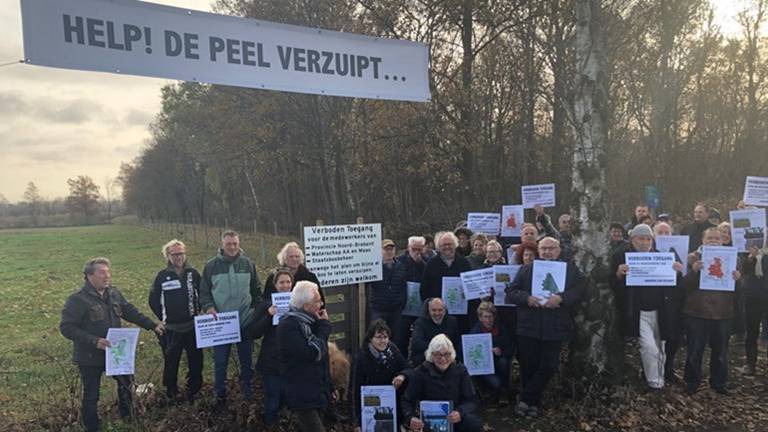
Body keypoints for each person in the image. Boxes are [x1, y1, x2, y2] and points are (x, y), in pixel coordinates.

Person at [61, 257, 165, 432]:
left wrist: (152, 325)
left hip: (116, 352)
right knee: (91, 395)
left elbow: (130, 311)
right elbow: (67, 328)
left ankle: (128, 419)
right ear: (89, 276)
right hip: (90, 356)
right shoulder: (77, 300)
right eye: (102, 272)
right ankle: (92, 427)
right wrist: (95, 341)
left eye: (108, 272)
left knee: (126, 386)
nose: (107, 276)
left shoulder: (114, 293)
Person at [505, 237, 586, 417]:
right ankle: (532, 404)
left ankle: (525, 397)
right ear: (538, 251)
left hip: (555, 326)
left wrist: (562, 298)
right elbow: (511, 291)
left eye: (551, 248)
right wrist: (527, 298)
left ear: (558, 250)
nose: (547, 252)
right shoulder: (526, 269)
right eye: (543, 249)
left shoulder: (569, 270)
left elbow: (581, 289)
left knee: (549, 366)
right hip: (528, 326)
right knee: (529, 366)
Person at [610, 225, 683, 390]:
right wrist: (618, 275)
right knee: (649, 347)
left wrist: (676, 274)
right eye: (640, 239)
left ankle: (657, 377)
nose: (644, 243)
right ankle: (654, 383)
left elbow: (675, 289)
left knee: (660, 347)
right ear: (632, 240)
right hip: (638, 311)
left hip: (659, 311)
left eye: (648, 239)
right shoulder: (621, 257)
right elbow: (614, 288)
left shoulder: (662, 258)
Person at [199, 230, 262, 408]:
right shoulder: (211, 266)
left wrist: (256, 313)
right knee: (220, 364)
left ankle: (248, 396)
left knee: (247, 362)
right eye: (228, 244)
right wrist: (209, 307)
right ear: (222, 244)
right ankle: (220, 397)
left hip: (245, 322)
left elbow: (256, 291)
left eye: (235, 243)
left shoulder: (248, 264)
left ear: (238, 243)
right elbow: (204, 292)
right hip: (222, 325)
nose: (232, 247)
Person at [683, 227, 741, 395]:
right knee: (694, 351)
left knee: (721, 353)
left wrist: (738, 280)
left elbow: (738, 291)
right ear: (703, 240)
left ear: (723, 240)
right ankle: (692, 382)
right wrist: (694, 271)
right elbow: (684, 286)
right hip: (697, 312)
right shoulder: (692, 258)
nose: (714, 241)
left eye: (717, 238)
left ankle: (719, 382)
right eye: (710, 238)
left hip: (723, 313)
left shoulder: (733, 259)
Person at [148, 239, 203, 402]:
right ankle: (171, 393)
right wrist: (165, 317)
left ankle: (194, 391)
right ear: (168, 256)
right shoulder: (162, 276)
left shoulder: (193, 273)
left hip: (193, 327)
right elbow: (153, 300)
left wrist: (199, 312)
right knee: (171, 363)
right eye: (174, 254)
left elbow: (202, 294)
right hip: (172, 329)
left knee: (196, 362)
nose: (178, 257)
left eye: (181, 253)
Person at [278, 281, 335, 432]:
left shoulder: (312, 322)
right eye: (317, 301)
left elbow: (323, 358)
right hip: (301, 394)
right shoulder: (288, 326)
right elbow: (312, 353)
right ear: (305, 306)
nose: (321, 304)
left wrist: (329, 386)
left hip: (317, 392)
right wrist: (324, 327)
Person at [402, 334, 483, 432]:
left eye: (447, 354)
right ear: (431, 355)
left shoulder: (460, 370)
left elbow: (472, 400)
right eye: (438, 355)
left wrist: (460, 412)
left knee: (473, 423)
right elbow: (407, 400)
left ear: (452, 354)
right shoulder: (420, 372)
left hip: (454, 420)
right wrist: (410, 417)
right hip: (428, 422)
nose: (443, 359)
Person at [252, 268, 294, 425]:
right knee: (273, 400)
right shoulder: (266, 305)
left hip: (292, 361)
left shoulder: (297, 303)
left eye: (288, 282)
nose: (285, 285)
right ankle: (270, 426)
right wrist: (269, 315)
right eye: (281, 282)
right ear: (275, 284)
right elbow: (254, 332)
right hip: (271, 362)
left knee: (288, 399)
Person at [350, 320, 409, 432]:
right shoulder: (362, 357)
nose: (382, 341)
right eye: (378, 337)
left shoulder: (393, 350)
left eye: (385, 337)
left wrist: (402, 375)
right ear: (371, 339)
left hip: (393, 403)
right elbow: (356, 389)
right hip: (371, 405)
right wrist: (357, 421)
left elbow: (407, 368)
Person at [653, 221, 686, 382]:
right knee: (654, 340)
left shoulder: (678, 253)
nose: (664, 236)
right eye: (660, 233)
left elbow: (683, 282)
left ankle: (668, 369)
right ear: (654, 235)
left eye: (667, 233)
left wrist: (679, 272)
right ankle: (652, 371)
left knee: (672, 339)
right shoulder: (648, 253)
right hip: (654, 302)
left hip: (673, 302)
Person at [421, 232, 473, 331]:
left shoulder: (464, 263)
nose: (447, 247)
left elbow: (470, 287)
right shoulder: (431, 264)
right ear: (438, 247)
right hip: (438, 315)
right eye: (444, 245)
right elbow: (424, 289)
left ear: (455, 245)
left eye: (450, 244)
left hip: (461, 315)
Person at [469, 302, 513, 405]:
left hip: (498, 363)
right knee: (495, 383)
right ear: (480, 318)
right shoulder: (474, 333)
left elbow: (510, 347)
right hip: (484, 367)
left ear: (494, 317)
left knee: (503, 362)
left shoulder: (501, 329)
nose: (488, 320)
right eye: (485, 317)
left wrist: (501, 352)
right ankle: (485, 390)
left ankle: (504, 391)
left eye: (490, 316)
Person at [392, 236, 428, 354]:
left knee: (419, 336)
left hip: (419, 305)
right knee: (401, 336)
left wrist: (420, 263)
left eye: (419, 249)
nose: (417, 252)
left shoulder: (426, 262)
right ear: (408, 248)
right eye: (414, 249)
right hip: (403, 304)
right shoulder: (399, 261)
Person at [367, 239, 403, 343]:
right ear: (380, 251)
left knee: (396, 338)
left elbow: (403, 286)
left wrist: (401, 303)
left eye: (391, 249)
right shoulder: (374, 266)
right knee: (378, 336)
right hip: (379, 309)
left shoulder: (400, 266)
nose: (389, 252)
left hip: (396, 310)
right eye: (386, 249)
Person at [409, 298, 461, 366]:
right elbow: (416, 344)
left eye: (440, 310)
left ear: (445, 311)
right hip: (427, 360)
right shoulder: (420, 322)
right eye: (433, 310)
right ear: (429, 311)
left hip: (448, 358)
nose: (437, 313)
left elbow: (457, 343)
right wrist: (438, 348)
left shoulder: (452, 322)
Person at [742, 246, 768, 375]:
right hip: (753, 296)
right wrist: (751, 258)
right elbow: (744, 272)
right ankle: (750, 363)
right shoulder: (751, 252)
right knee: (752, 331)